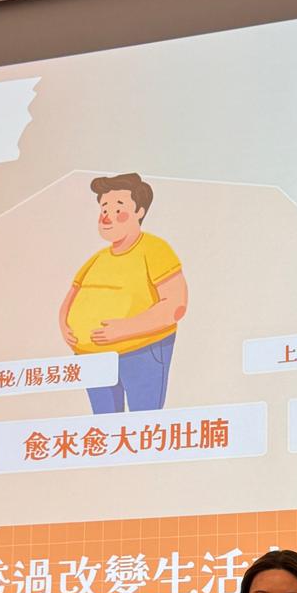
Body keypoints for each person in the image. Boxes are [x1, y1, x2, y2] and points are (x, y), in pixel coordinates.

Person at [59, 173, 188, 413]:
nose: (107, 216)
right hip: (92, 358)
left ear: (139, 211)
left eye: (118, 208)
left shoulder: (154, 249)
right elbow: (71, 297)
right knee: (106, 426)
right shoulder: (97, 259)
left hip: (140, 352)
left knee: (143, 423)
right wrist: (65, 327)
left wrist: (123, 329)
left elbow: (176, 304)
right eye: (104, 208)